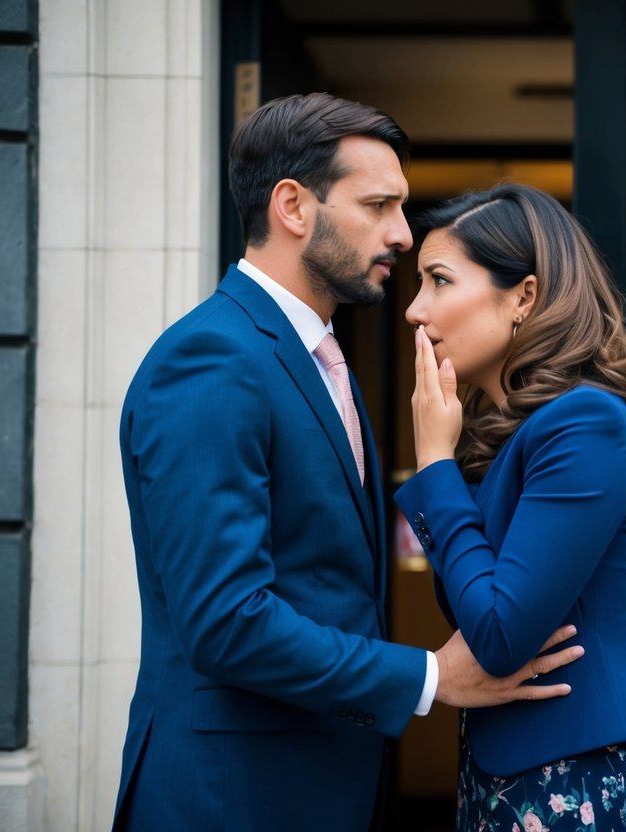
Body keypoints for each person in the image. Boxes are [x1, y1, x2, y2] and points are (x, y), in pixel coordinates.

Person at [112, 95, 583, 831]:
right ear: (293, 206)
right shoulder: (211, 360)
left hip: (314, 786)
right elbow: (225, 620)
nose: (402, 232)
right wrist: (429, 677)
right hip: (231, 797)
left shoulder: (319, 359)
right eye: (378, 205)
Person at [398, 183, 626, 831]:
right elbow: (473, 611)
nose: (415, 311)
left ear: (524, 296)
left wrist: (435, 464)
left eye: (438, 281)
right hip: (512, 779)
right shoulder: (501, 436)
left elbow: (496, 638)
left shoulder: (586, 423)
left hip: (576, 783)